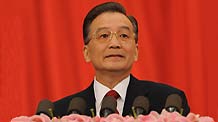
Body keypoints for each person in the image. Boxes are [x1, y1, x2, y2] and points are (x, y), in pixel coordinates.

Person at [53, 2, 190, 117]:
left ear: (136, 51)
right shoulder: (62, 113)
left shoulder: (168, 102)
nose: (115, 44)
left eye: (124, 35)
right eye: (104, 36)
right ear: (86, 53)